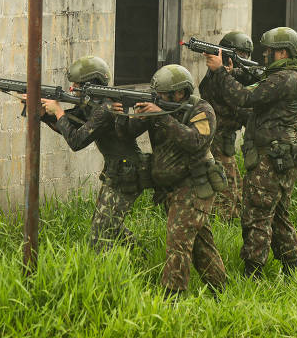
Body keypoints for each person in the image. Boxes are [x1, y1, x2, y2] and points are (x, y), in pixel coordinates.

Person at [114, 64, 227, 298]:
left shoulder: (202, 110)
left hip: (195, 186)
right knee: (200, 244)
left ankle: (171, 298)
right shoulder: (159, 108)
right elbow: (127, 133)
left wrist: (161, 116)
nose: (158, 98)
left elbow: (195, 141)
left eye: (163, 94)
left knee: (178, 243)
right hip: (171, 188)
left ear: (180, 93)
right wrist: (122, 114)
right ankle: (220, 290)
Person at [204, 27, 297, 279]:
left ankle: (254, 274)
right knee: (279, 216)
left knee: (256, 215)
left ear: (282, 52)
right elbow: (255, 77)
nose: (264, 56)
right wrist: (230, 71)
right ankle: (291, 271)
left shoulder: (285, 79)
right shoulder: (286, 76)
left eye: (269, 51)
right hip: (279, 156)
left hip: (271, 159)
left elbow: (244, 98)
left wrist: (219, 72)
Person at [36, 56, 149, 251]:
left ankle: (106, 272)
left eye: (77, 83)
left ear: (91, 83)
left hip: (127, 173)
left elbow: (77, 141)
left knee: (100, 234)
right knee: (110, 226)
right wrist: (46, 115)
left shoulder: (105, 108)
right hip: (118, 171)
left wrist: (59, 112)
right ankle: (142, 254)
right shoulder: (94, 106)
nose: (72, 87)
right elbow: (71, 124)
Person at [198, 30, 254, 221]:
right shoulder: (219, 79)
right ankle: (218, 229)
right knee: (226, 196)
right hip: (217, 143)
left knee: (237, 194)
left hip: (224, 143)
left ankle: (229, 228)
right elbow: (242, 107)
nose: (244, 59)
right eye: (241, 55)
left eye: (246, 56)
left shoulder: (226, 77)